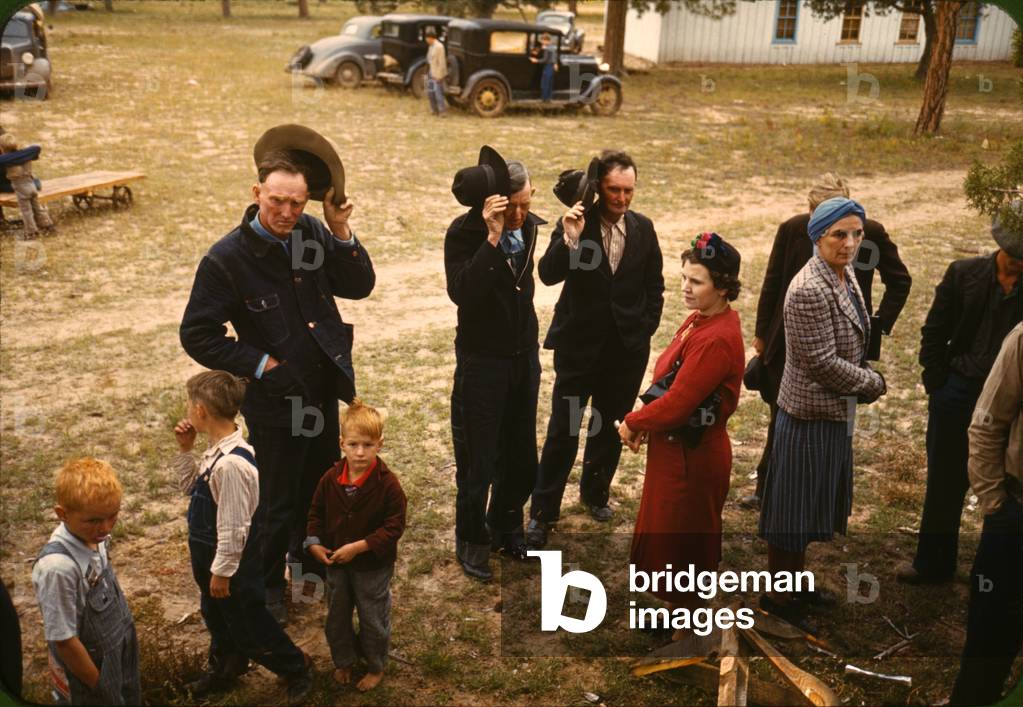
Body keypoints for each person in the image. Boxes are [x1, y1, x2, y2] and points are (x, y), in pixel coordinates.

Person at [180, 124, 376, 624]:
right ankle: (265, 586)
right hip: (274, 401)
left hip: (319, 389)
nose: (287, 213)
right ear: (256, 194)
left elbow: (358, 284)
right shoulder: (227, 259)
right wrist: (262, 365)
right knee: (273, 502)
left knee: (318, 490)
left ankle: (308, 578)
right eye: (277, 201)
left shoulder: (310, 231)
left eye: (298, 203)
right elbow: (197, 334)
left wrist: (337, 228)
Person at [757, 197, 887, 622]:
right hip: (807, 415)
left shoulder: (842, 272)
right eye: (839, 234)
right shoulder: (809, 287)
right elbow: (822, 363)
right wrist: (872, 383)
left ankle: (794, 584)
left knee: (808, 508)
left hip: (832, 412)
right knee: (790, 513)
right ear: (818, 236)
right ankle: (778, 599)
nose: (850, 243)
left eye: (857, 234)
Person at [746, 173, 911, 508]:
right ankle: (767, 488)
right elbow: (772, 281)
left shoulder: (869, 234)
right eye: (818, 214)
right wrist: (762, 335)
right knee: (782, 415)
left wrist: (874, 330)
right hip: (788, 340)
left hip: (844, 344)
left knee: (838, 421)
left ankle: (826, 499)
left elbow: (900, 281)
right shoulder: (792, 229)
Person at [528, 150, 664, 547]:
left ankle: (595, 493)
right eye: (613, 190)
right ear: (598, 190)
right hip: (579, 350)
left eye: (628, 190)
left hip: (625, 353)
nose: (621, 199)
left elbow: (654, 285)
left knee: (607, 428)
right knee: (564, 431)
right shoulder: (576, 224)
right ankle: (543, 512)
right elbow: (548, 274)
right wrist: (570, 237)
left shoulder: (643, 228)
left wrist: (644, 329)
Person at [618, 233, 745, 629]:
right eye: (685, 278)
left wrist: (635, 422)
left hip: (694, 458)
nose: (686, 288)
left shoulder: (717, 338)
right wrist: (647, 418)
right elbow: (670, 384)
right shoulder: (700, 319)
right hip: (674, 450)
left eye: (697, 281)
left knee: (684, 543)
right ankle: (675, 617)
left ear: (723, 286)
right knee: (670, 539)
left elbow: (680, 403)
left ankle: (687, 629)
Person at [897, 205, 1023, 584]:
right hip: (957, 394)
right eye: (1015, 256)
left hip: (1009, 407)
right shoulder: (962, 273)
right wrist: (938, 385)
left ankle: (994, 570)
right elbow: (934, 332)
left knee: (1003, 487)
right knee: (944, 483)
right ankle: (933, 564)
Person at [172, 370, 312, 703]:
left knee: (249, 623)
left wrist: (222, 572)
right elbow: (188, 487)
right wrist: (184, 450)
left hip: (230, 562)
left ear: (202, 410)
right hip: (211, 557)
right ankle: (227, 667)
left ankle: (295, 667)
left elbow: (234, 527)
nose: (189, 411)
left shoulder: (231, 465)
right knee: (217, 616)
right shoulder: (215, 450)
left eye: (191, 405)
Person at [445, 146, 546, 581]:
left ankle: (506, 525)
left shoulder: (531, 229)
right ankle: (472, 539)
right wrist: (490, 239)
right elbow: (463, 292)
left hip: (523, 357)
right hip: (482, 361)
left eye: (528, 203)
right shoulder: (463, 234)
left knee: (522, 454)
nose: (523, 213)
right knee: (478, 459)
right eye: (515, 206)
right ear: (497, 203)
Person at [305, 399, 407, 692]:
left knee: (373, 617)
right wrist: (314, 543)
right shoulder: (330, 479)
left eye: (368, 445)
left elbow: (393, 527)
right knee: (336, 616)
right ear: (341, 444)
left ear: (380, 444)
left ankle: (375, 664)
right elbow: (315, 514)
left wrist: (360, 546)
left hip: (372, 566)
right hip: (336, 564)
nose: (360, 452)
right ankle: (344, 659)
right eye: (353, 444)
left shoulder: (388, 485)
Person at [948, 321, 1023, 706]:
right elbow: (986, 424)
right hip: (1015, 517)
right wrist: (997, 506)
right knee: (988, 646)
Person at [31, 459, 140, 705]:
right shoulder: (58, 569)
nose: (105, 527)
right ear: (62, 514)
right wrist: (100, 686)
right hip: (88, 674)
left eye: (113, 516)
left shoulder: (94, 536)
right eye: (93, 520)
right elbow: (64, 641)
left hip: (117, 651)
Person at [0, 133, 54, 240]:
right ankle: (48, 226)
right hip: (32, 186)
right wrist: (21, 153)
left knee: (27, 212)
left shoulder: (6, 160)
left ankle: (31, 232)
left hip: (22, 190)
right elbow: (36, 148)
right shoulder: (26, 155)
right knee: (38, 208)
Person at [424, 28, 447, 117]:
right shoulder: (431, 46)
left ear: (431, 38)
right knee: (430, 92)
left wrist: (440, 75)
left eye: (427, 38)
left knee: (438, 93)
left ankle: (442, 111)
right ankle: (434, 109)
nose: (426, 40)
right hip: (430, 71)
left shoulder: (439, 47)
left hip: (437, 73)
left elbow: (442, 62)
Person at [529, 33, 558, 102]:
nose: (542, 42)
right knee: (549, 82)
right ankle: (548, 98)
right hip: (550, 66)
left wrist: (536, 60)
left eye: (543, 40)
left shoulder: (547, 49)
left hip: (548, 66)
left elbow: (545, 60)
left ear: (547, 41)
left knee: (545, 83)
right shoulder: (552, 47)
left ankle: (544, 98)